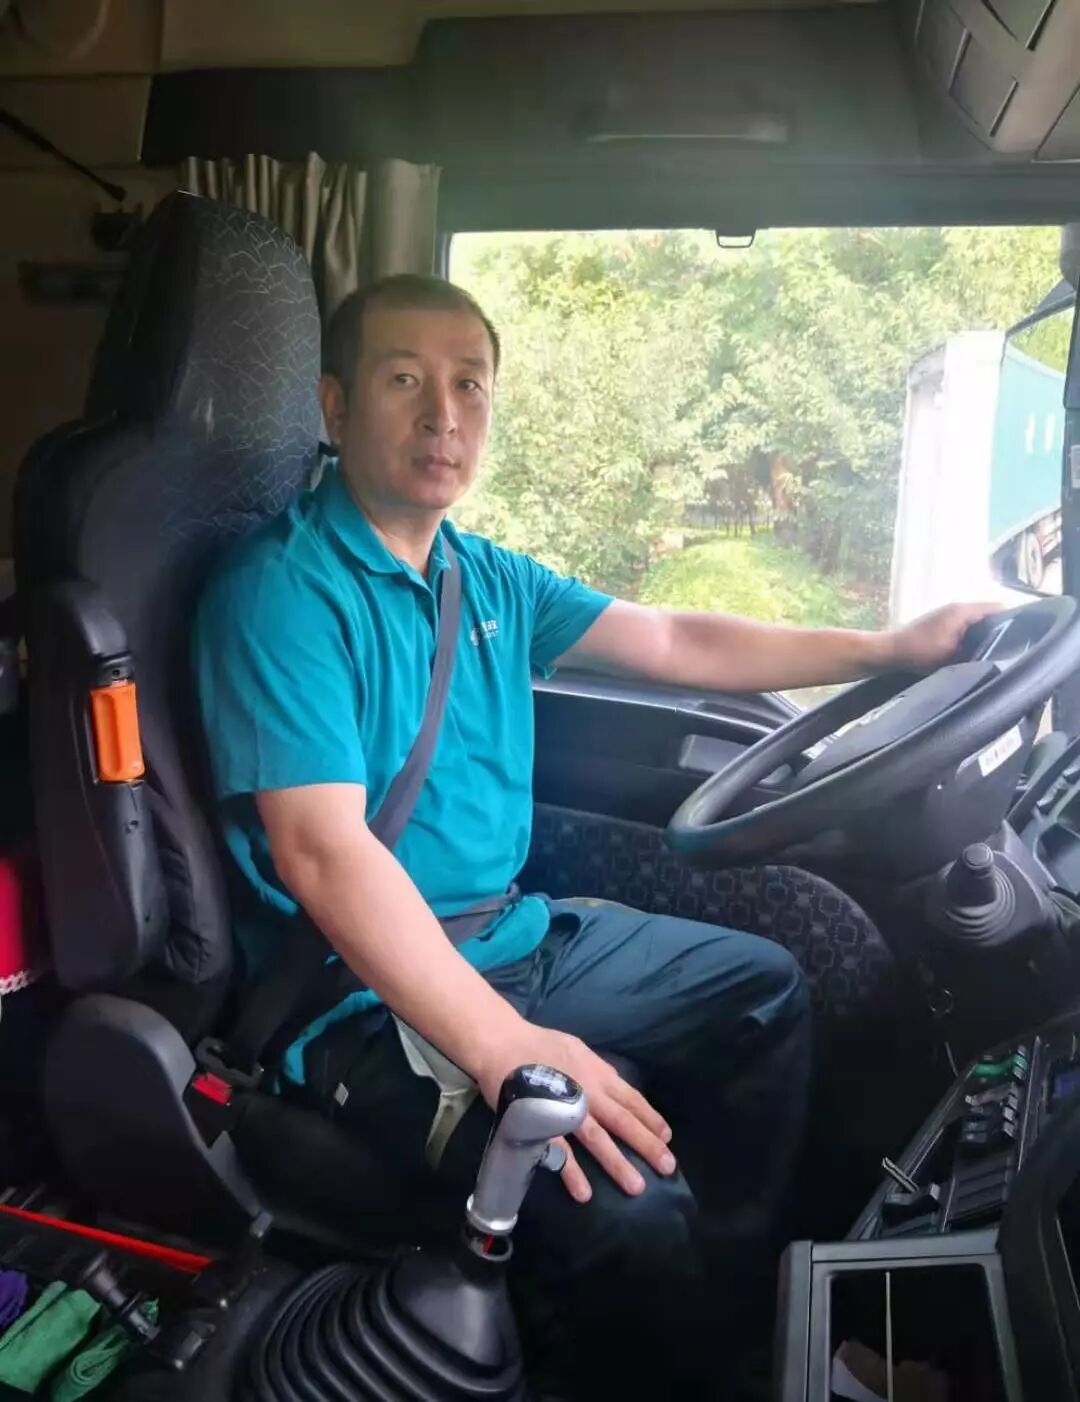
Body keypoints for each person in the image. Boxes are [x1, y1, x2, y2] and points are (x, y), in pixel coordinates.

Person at [192, 274, 995, 1396]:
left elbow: (674, 641)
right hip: (361, 998)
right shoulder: (281, 593)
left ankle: (728, 1309)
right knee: (623, 1204)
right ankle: (671, 1362)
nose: (443, 414)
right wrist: (502, 1043)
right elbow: (324, 853)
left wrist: (889, 648)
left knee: (767, 989)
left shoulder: (481, 575)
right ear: (334, 404)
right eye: (404, 380)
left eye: (470, 384)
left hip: (510, 935)